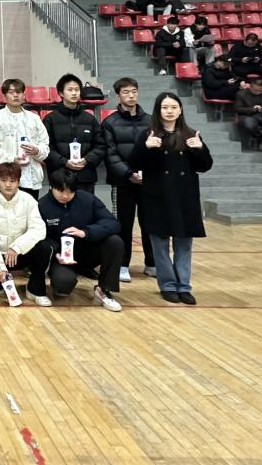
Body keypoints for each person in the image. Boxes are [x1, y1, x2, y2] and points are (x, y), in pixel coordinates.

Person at [129, 93, 213, 305]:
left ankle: (184, 286)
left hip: (185, 196)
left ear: (180, 109)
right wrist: (146, 147)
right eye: (165, 107)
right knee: (160, 245)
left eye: (173, 107)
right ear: (158, 110)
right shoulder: (148, 134)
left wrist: (199, 149)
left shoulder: (191, 134)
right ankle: (167, 285)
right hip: (157, 196)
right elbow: (133, 162)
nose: (169, 111)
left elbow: (205, 166)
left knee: (184, 244)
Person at [38, 169, 124, 312]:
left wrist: (85, 232)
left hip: (87, 252)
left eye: (70, 192)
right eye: (61, 191)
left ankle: (104, 289)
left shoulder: (88, 199)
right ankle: (63, 280)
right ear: (52, 187)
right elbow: (41, 238)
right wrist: (56, 254)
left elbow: (113, 223)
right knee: (62, 288)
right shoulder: (42, 205)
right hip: (61, 259)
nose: (65, 196)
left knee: (115, 241)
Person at [0, 163, 53, 307]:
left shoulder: (28, 200)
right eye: (4, 180)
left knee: (44, 248)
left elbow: (38, 229)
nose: (8, 185)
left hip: (20, 253)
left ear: (19, 181)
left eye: (12, 181)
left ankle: (35, 289)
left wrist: (17, 247)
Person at [101, 77, 156, 282]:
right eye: (126, 92)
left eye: (134, 91)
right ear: (118, 95)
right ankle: (122, 264)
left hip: (148, 181)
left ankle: (152, 263)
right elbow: (110, 155)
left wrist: (147, 172)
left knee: (150, 223)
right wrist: (128, 173)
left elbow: (157, 149)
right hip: (122, 181)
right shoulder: (110, 123)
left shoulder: (151, 121)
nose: (131, 96)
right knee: (123, 224)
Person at [0, 78, 50, 199]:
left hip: (31, 177)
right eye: (11, 92)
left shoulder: (34, 118)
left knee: (29, 209)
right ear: (4, 96)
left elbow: (45, 144)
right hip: (6, 177)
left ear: (24, 95)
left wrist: (37, 151)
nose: (15, 95)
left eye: (19, 92)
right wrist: (11, 159)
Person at [43, 74, 105, 191]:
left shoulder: (90, 119)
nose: (74, 93)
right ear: (61, 93)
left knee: (86, 203)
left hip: (86, 175)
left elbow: (100, 145)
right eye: (70, 90)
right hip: (59, 176)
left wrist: (86, 160)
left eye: (77, 90)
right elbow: (46, 147)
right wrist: (65, 162)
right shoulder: (50, 119)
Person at [234, 76, 262, 149]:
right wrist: (253, 109)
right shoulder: (241, 94)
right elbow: (237, 109)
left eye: (260, 90)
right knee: (249, 124)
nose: (258, 92)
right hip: (248, 115)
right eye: (255, 90)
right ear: (250, 87)